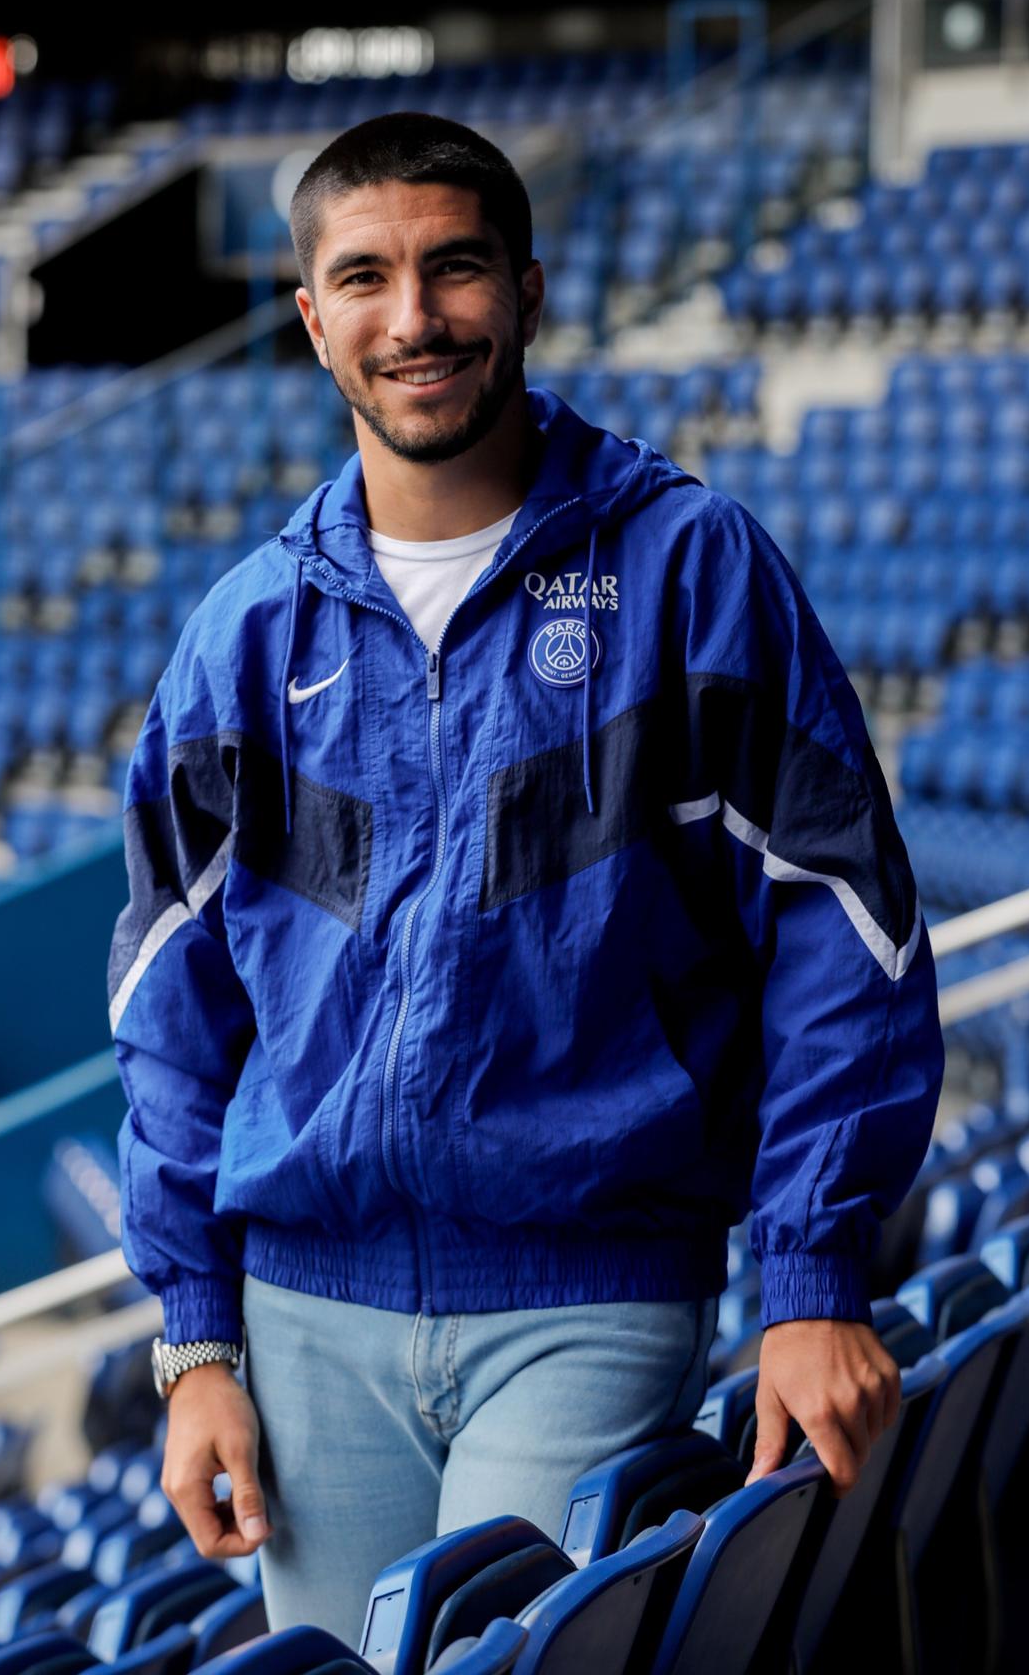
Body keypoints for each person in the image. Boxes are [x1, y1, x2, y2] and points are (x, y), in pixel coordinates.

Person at [107, 111, 944, 1644]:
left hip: (588, 1293)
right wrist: (195, 1339)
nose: (413, 318)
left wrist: (813, 1274)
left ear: (529, 293)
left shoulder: (689, 570)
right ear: (311, 319)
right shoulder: (243, 638)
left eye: (454, 269)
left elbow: (845, 933)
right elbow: (173, 1016)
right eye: (364, 278)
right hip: (307, 1324)